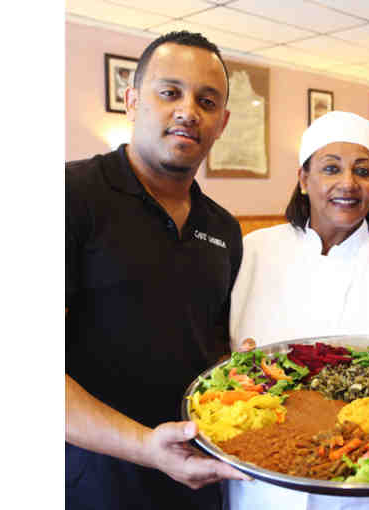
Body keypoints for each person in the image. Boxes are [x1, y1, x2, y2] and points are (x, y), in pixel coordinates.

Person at [65, 31, 251, 510]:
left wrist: (242, 370)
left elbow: (207, 345)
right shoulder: (71, 195)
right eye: (169, 92)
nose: (188, 111)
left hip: (198, 478)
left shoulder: (224, 228)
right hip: (93, 483)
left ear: (222, 122)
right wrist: (146, 447)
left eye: (206, 101)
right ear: (132, 101)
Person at [227, 111, 369, 510]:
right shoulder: (253, 250)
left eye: (363, 171)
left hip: (358, 481)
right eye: (331, 168)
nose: (348, 183)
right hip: (259, 476)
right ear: (303, 179)